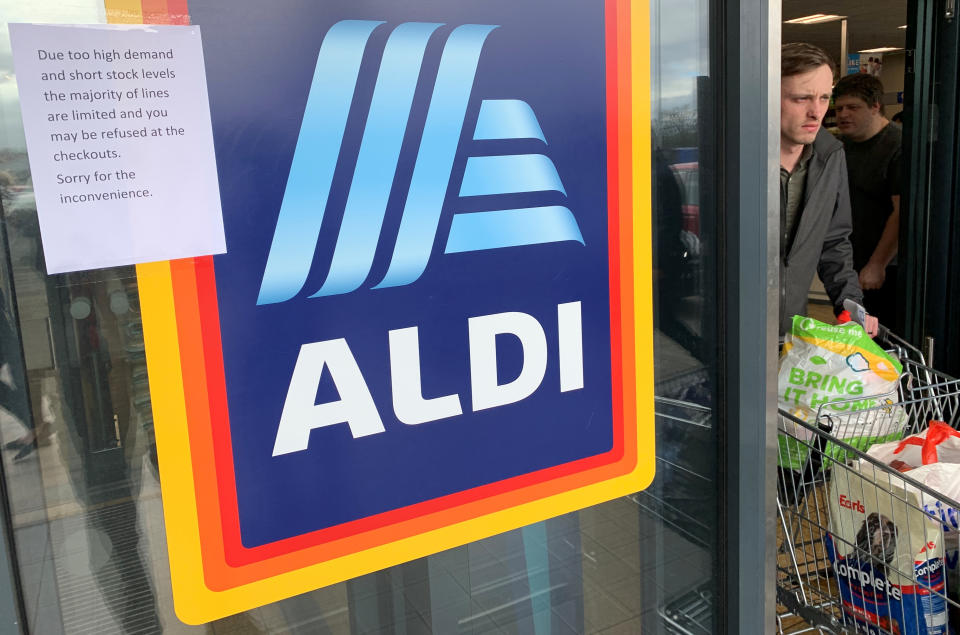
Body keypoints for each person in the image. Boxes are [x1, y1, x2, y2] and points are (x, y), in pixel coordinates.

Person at [779, 43, 877, 337]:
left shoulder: (830, 154)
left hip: (791, 327)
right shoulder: (735, 160)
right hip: (729, 329)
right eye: (801, 98)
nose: (816, 112)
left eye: (824, 98)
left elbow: (834, 239)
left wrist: (849, 304)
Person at [835, 73, 902, 329]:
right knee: (853, 339)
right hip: (849, 266)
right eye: (839, 108)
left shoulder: (897, 146)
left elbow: (901, 212)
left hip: (884, 271)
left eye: (853, 107)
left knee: (881, 345)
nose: (843, 115)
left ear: (875, 106)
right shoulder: (840, 147)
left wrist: (877, 264)